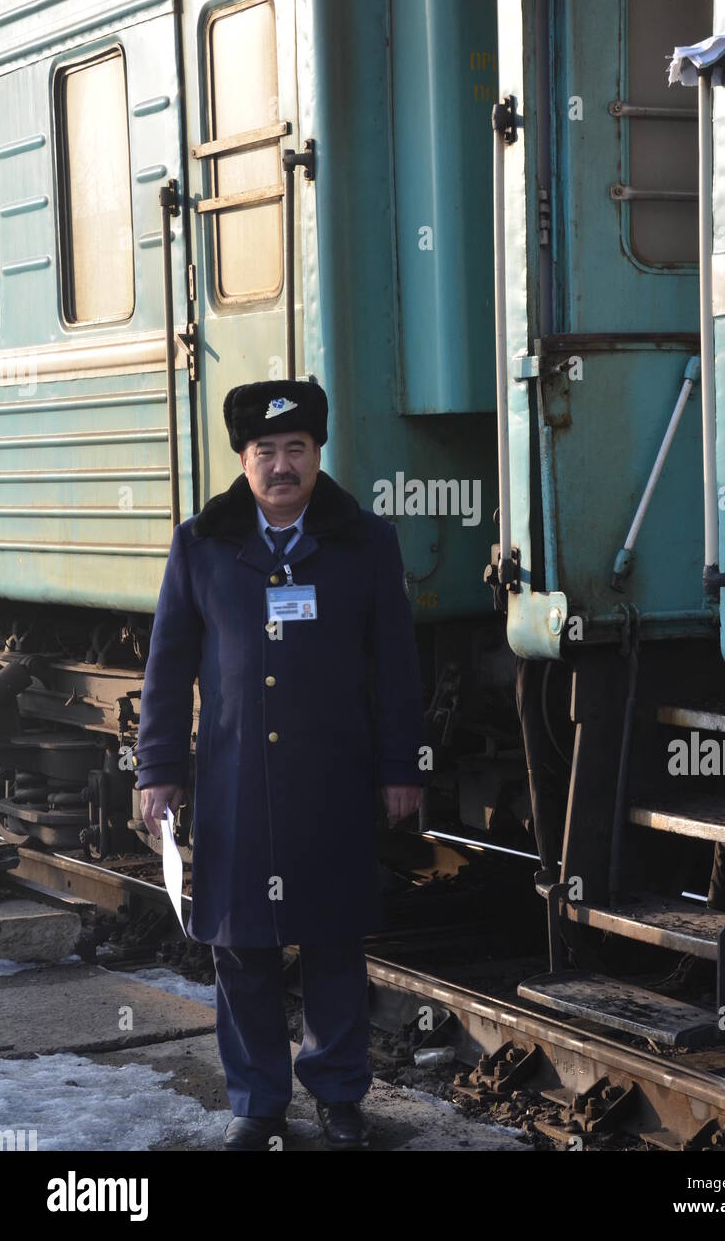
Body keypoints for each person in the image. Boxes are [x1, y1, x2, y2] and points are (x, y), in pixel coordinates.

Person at [134, 379, 425, 1150]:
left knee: (333, 937)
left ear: (317, 454)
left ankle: (337, 1092)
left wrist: (402, 767)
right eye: (266, 451)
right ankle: (257, 1101)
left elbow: (395, 666)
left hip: (331, 779)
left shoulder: (365, 542)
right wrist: (156, 769)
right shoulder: (199, 542)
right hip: (234, 784)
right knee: (241, 946)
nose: (281, 465)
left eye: (296, 449)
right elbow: (166, 668)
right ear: (243, 458)